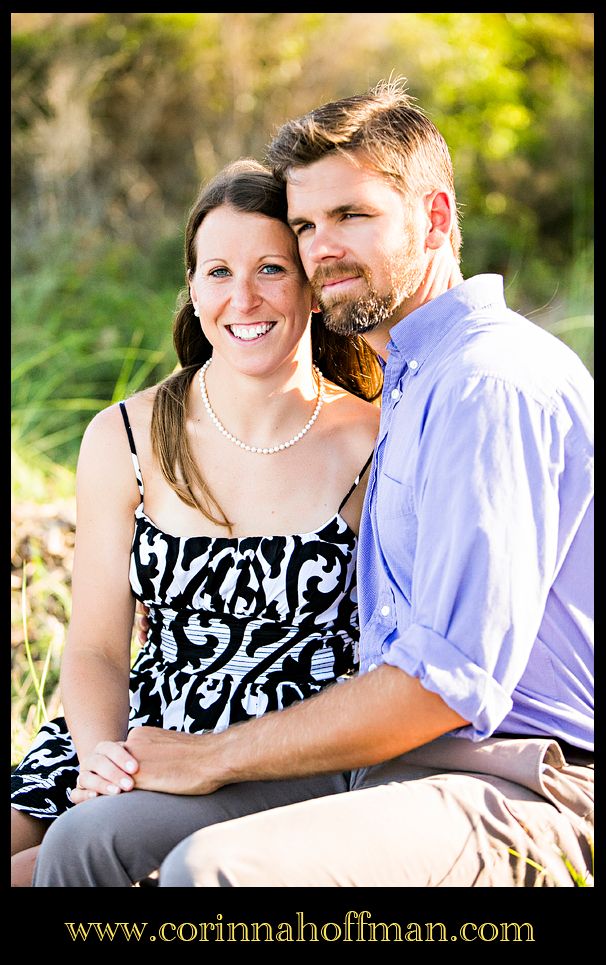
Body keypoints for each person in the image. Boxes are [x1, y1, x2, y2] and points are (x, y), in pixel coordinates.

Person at [33, 77, 593, 889]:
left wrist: (215, 755)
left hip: (514, 778)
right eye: (306, 223)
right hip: (394, 761)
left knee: (213, 866)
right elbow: (94, 644)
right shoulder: (413, 378)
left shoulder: (487, 383)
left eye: (352, 216)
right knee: (86, 843)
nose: (321, 247)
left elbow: (445, 686)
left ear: (436, 217)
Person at [10, 158, 381, 887]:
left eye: (271, 268)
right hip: (130, 729)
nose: (242, 297)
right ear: (192, 287)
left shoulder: (371, 440)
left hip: (267, 753)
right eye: (217, 272)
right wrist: (100, 757)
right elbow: (93, 647)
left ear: (310, 285)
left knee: (36, 871)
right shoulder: (126, 433)